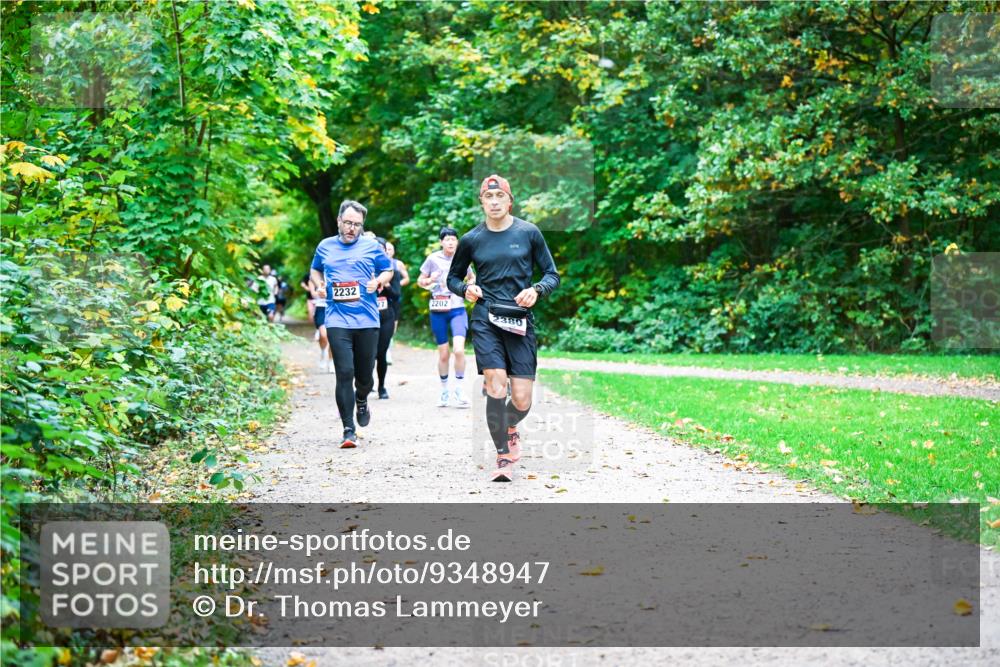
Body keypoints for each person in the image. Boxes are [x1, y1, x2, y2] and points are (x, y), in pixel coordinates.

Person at [447, 175, 560, 482]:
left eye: (500, 196)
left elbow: (552, 274)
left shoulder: (529, 233)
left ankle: (509, 426)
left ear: (510, 200)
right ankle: (503, 456)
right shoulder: (471, 240)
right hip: (486, 318)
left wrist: (536, 290)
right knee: (496, 385)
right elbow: (453, 278)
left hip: (519, 319)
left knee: (522, 398)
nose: (494, 202)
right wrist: (465, 290)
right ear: (482, 202)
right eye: (488, 196)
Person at [310, 200, 394, 448]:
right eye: (348, 223)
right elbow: (315, 270)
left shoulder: (371, 246)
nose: (351, 228)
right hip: (337, 318)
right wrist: (319, 284)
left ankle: (362, 399)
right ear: (338, 221)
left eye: (357, 224)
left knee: (365, 377)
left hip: (367, 319)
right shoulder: (325, 246)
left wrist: (378, 279)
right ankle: (348, 429)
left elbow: (388, 270)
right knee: (344, 373)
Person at [419, 227, 476, 408]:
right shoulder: (432, 259)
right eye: (447, 239)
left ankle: (459, 389)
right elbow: (421, 281)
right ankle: (444, 391)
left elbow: (472, 278)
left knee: (458, 350)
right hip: (438, 310)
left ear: (457, 242)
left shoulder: (462, 258)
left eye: (453, 239)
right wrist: (430, 280)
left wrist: (469, 287)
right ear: (441, 242)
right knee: (443, 354)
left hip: (457, 309)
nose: (450, 242)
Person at [373, 237, 401, 398]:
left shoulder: (393, 271)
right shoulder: (364, 269)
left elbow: (396, 296)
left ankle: (381, 387)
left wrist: (387, 284)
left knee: (381, 353)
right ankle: (365, 383)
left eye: (382, 249)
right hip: (368, 317)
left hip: (386, 316)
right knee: (367, 353)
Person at [384, 241, 409, 365]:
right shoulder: (377, 263)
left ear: (393, 251)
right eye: (386, 249)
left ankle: (388, 347)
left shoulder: (398, 264)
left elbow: (407, 278)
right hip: (381, 299)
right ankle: (383, 351)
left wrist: (396, 285)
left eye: (390, 249)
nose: (388, 251)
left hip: (394, 298)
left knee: (392, 327)